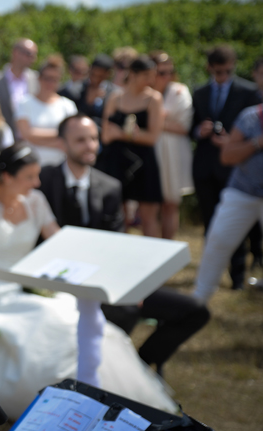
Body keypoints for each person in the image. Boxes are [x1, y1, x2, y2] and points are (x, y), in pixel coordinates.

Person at [0, 143, 177, 419]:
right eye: (29, 176)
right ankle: (53, 401)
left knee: (79, 320)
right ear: (6, 177)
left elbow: (59, 242)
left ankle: (99, 399)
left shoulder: (35, 201)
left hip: (31, 286)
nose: (37, 183)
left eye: (37, 175)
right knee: (53, 321)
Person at [40, 114, 209, 376]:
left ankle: (140, 366)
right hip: (59, 281)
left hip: (105, 277)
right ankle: (109, 370)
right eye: (81, 140)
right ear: (62, 144)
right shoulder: (42, 180)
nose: (90, 146)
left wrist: (130, 283)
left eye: (94, 138)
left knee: (195, 311)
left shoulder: (109, 186)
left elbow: (115, 242)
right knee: (126, 312)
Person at [191, 45, 263, 289]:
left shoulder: (249, 92)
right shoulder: (199, 92)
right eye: (218, 71)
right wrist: (199, 130)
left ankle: (238, 278)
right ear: (210, 68)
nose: (223, 75)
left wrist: (232, 141)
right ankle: (206, 284)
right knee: (213, 227)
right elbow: (191, 126)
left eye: (228, 71)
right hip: (206, 165)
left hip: (238, 171)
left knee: (240, 227)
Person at [100, 55, 164, 237]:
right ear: (133, 74)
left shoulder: (154, 99)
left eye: (153, 75)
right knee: (118, 216)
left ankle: (153, 254)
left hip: (144, 162)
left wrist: (122, 134)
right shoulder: (115, 97)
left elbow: (153, 137)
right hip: (117, 161)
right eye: (146, 75)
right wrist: (130, 134)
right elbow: (106, 135)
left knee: (148, 217)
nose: (151, 80)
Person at [151, 51, 195, 240]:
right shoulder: (144, 91)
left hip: (173, 154)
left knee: (170, 203)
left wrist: (154, 121)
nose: (167, 76)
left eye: (170, 71)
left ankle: (168, 245)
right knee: (150, 205)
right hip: (150, 151)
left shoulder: (179, 91)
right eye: (161, 72)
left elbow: (184, 126)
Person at [15, 54, 77, 167]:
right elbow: (26, 134)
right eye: (47, 78)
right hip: (30, 167)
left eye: (55, 79)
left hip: (60, 166)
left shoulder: (68, 106)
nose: (50, 83)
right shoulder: (25, 103)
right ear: (39, 78)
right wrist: (60, 135)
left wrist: (36, 138)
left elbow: (73, 135)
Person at [0, 38, 39, 135]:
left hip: (32, 140)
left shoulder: (38, 80)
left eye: (35, 55)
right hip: (2, 140)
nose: (33, 59)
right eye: (29, 54)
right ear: (16, 53)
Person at [75, 54, 117, 128]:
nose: (95, 79)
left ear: (108, 74)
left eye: (100, 76)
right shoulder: (77, 89)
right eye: (93, 75)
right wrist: (88, 103)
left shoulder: (114, 92)